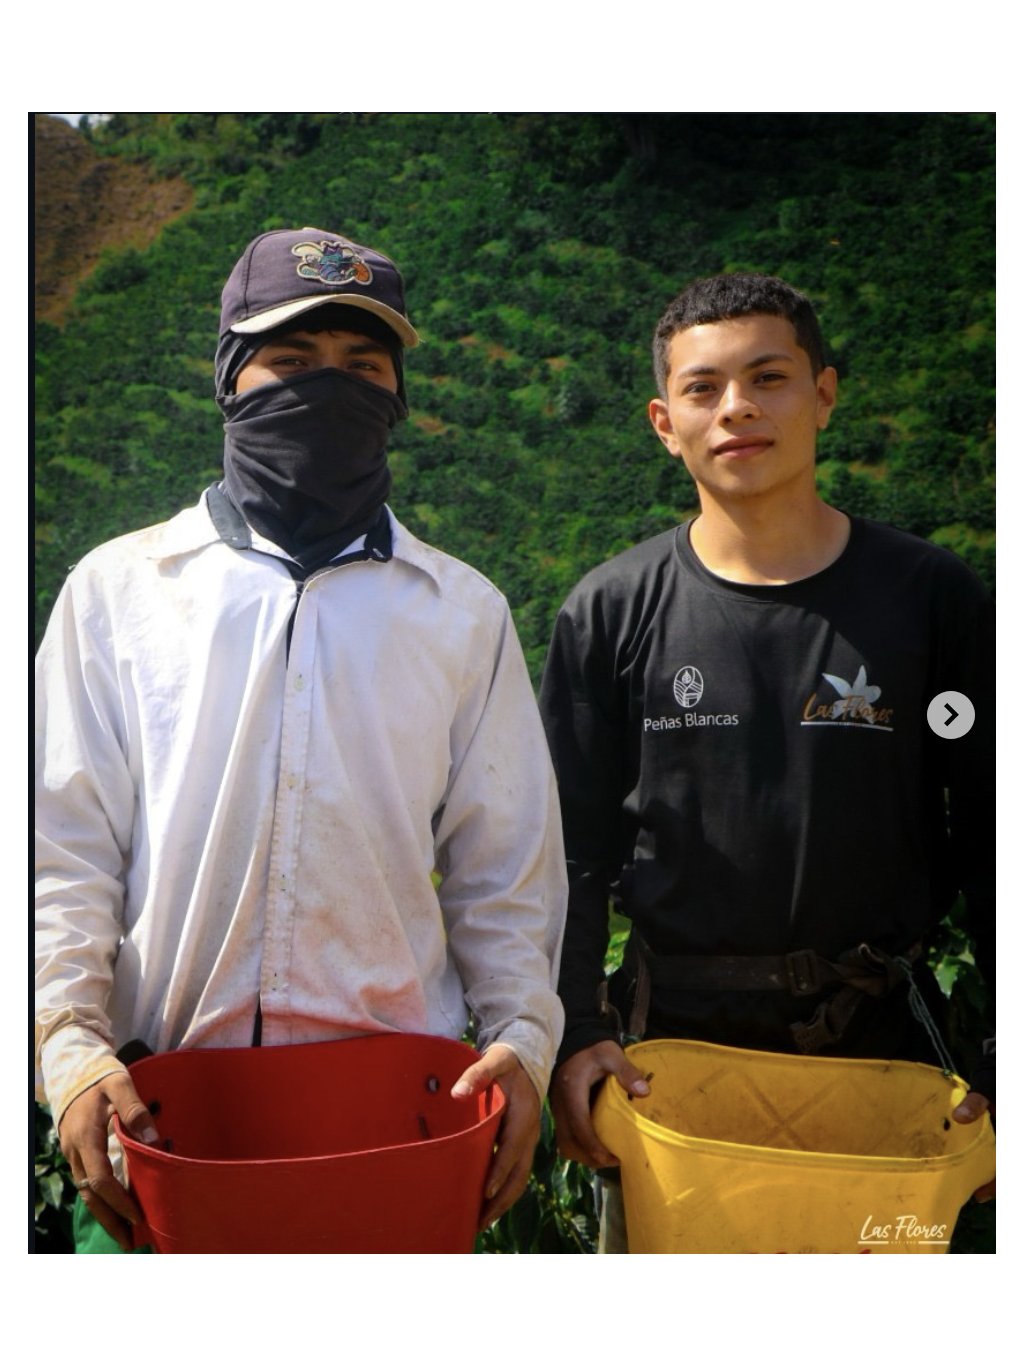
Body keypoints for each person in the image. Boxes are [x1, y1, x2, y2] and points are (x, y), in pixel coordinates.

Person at [36, 226, 567, 1252]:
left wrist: (525, 1043)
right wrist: (68, 1047)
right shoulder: (117, 594)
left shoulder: (461, 613)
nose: (330, 387)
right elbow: (62, 852)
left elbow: (504, 874)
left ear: (397, 396)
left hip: (395, 1122)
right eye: (291, 359)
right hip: (158, 1115)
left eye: (363, 366)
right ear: (229, 379)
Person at [538, 273, 994, 1250]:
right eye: (702, 388)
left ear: (823, 394)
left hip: (882, 1056)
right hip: (670, 1067)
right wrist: (577, 1031)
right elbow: (569, 851)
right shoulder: (609, 614)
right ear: (664, 423)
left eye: (768, 377)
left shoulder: (932, 601)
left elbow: (996, 833)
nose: (736, 407)